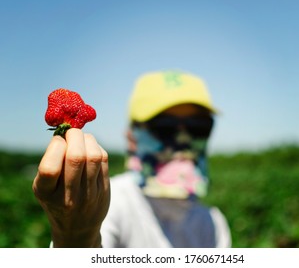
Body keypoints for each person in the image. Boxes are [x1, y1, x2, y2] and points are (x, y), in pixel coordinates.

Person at [32, 70, 231, 248]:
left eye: (198, 126)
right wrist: (76, 238)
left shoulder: (212, 223)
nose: (183, 139)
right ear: (132, 135)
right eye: (164, 126)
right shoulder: (106, 202)